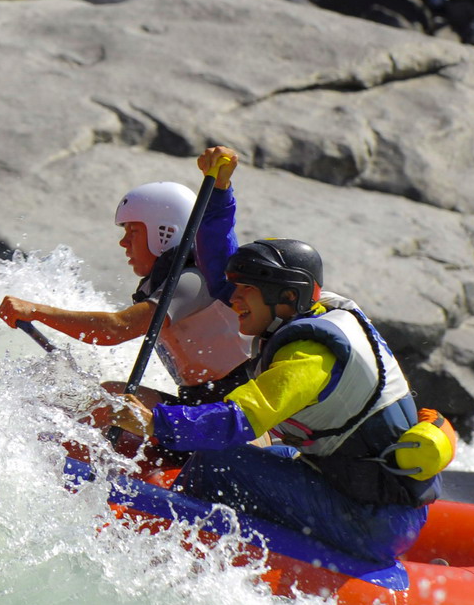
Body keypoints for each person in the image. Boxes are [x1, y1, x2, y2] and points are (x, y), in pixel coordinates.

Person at [102, 238, 450, 565]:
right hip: (370, 504)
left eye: (246, 290)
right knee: (272, 455)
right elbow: (221, 254)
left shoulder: (310, 357)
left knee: (217, 461)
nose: (233, 299)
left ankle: (154, 545)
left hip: (371, 521)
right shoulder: (317, 312)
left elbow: (237, 420)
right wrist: (222, 189)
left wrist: (151, 422)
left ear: (284, 297)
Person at [0, 146, 249, 406]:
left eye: (133, 233)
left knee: (111, 402)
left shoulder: (193, 282)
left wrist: (36, 311)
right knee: (108, 397)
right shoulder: (163, 284)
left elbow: (116, 329)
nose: (123, 243)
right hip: (199, 404)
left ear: (164, 233)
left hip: (233, 411)